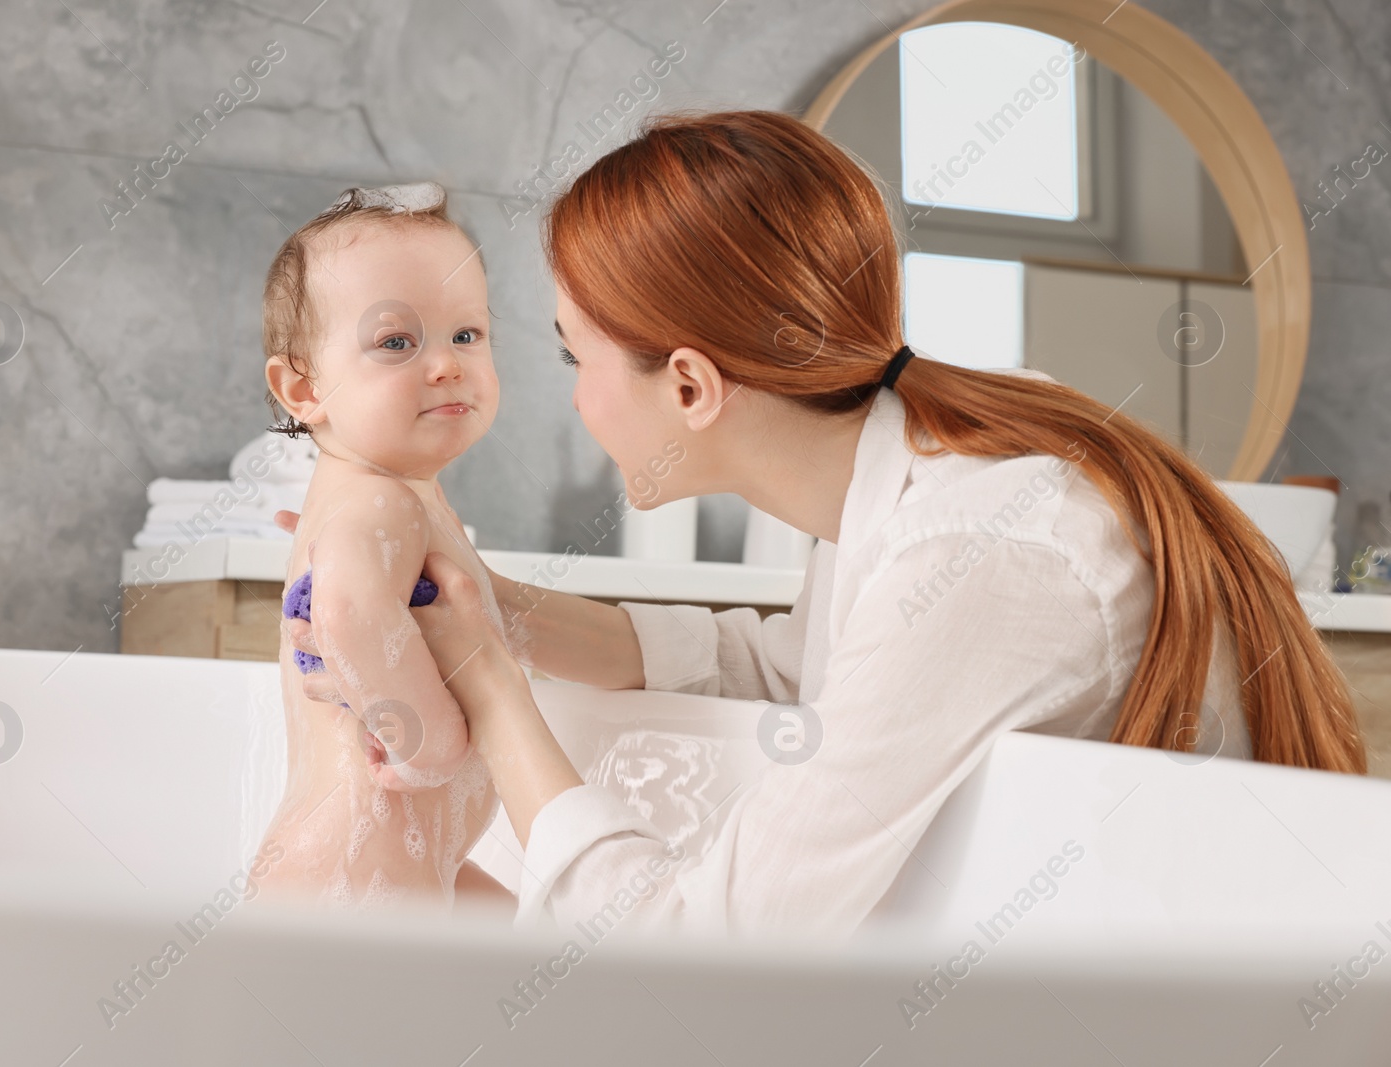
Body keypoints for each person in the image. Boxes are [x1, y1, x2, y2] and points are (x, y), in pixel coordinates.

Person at [283, 110, 1366, 937]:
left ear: (693, 387)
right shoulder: (917, 472)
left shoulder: (986, 551)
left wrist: (487, 682)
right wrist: (500, 613)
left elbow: (709, 959)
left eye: (578, 356)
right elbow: (782, 670)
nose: (570, 397)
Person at [250, 182, 505, 911]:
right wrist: (433, 745)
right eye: (397, 342)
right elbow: (347, 605)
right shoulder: (379, 497)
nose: (447, 363)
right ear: (302, 388)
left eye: (468, 334)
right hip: (359, 865)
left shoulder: (391, 490)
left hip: (395, 857)